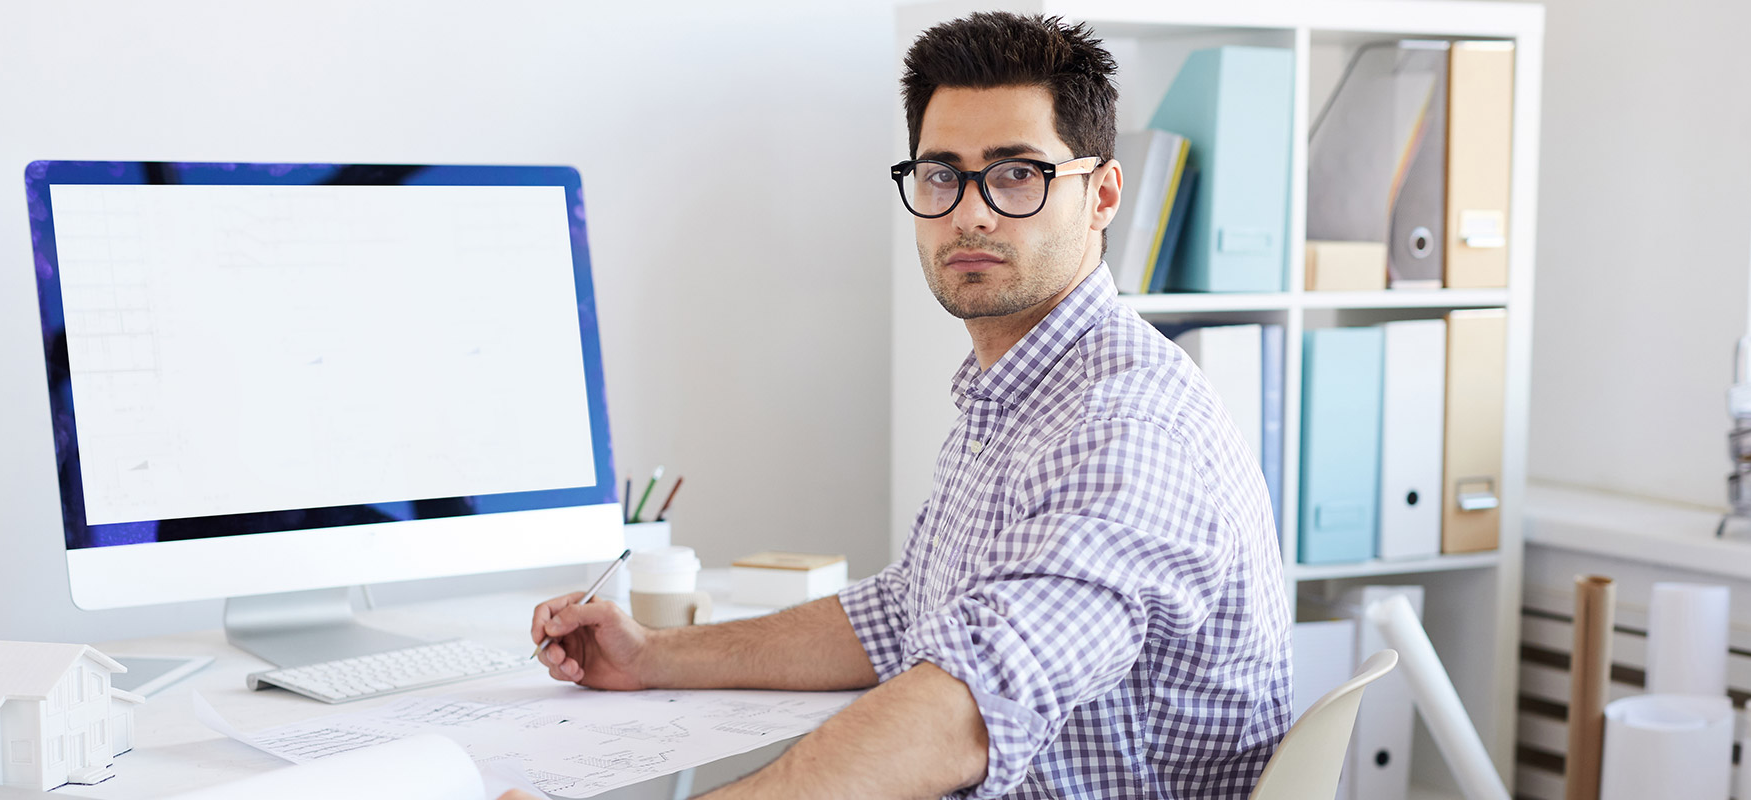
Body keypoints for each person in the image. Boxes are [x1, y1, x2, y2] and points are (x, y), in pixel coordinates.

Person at [508, 12, 1291, 799]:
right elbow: (899, 614)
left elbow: (972, 707)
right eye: (943, 174)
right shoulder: (1017, 389)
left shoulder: (1124, 431)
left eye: (1018, 173)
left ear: (1102, 195)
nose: (971, 212)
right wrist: (653, 655)